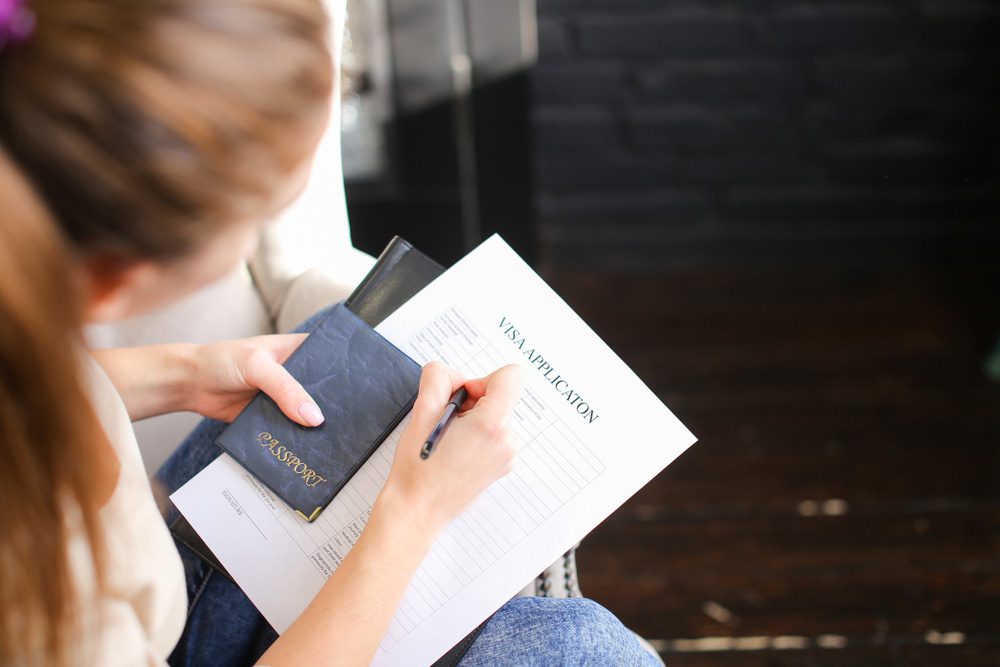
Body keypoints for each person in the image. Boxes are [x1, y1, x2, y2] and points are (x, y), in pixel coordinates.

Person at [0, 0, 663, 665]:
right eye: (254, 215)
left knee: (352, 342)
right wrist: (412, 514)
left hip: (155, 585)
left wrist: (185, 372)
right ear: (123, 273)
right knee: (578, 647)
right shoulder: (36, 595)